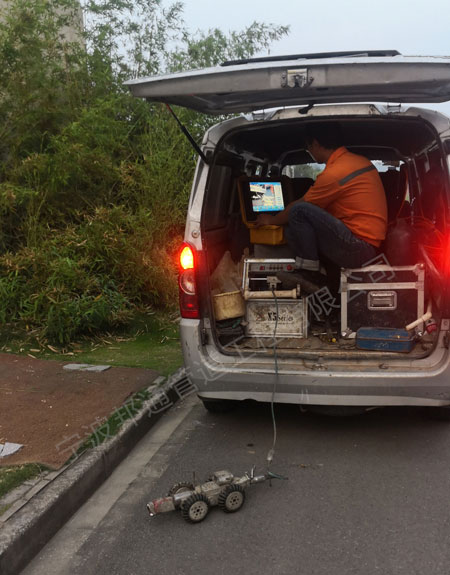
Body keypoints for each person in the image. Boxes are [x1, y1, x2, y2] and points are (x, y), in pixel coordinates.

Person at [256, 123, 388, 294]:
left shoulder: (334, 173)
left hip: (358, 248)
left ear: (316, 144)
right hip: (370, 245)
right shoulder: (358, 161)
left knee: (299, 212)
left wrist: (271, 220)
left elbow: (301, 206)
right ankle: (326, 281)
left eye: (308, 147)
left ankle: (310, 274)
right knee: (292, 229)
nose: (309, 151)